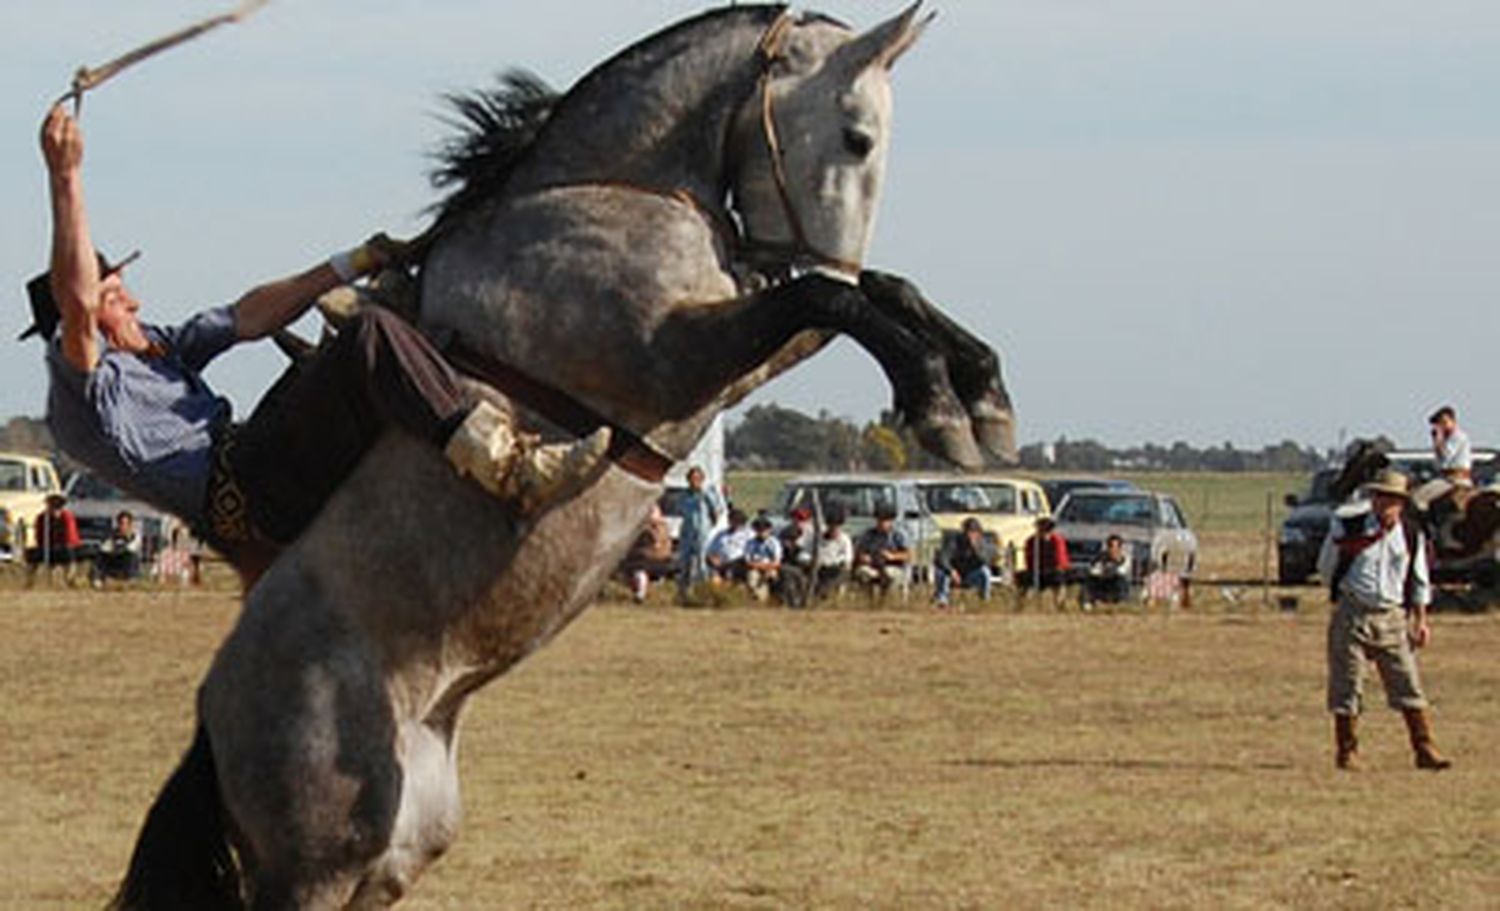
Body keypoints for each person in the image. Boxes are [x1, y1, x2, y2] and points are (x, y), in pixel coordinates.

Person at [29, 103, 609, 580]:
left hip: (259, 457)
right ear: (81, 316)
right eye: (115, 293)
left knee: (351, 337)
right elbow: (77, 298)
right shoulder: (84, 382)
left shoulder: (156, 346)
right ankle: (508, 466)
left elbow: (246, 316)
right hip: (249, 490)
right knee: (368, 336)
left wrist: (353, 261)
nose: (132, 300)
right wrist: (67, 178)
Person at [1317, 469, 1450, 771]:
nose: (1385, 505)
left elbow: (1419, 580)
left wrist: (1420, 620)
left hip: (1392, 616)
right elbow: (1327, 567)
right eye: (1380, 497)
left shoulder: (1411, 534)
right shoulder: (1350, 529)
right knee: (1347, 684)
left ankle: (1424, 747)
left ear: (1402, 503)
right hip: (1353, 612)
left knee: (1408, 683)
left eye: (1392, 499)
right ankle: (1347, 751)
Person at [674, 465, 722, 602]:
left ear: (702, 479)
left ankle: (705, 593)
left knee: (702, 564)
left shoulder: (707, 493)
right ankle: (684, 594)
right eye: (691, 478)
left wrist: (708, 527)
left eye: (697, 478)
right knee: (685, 564)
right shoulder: (684, 495)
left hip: (702, 532)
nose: (694, 481)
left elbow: (715, 512)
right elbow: (680, 511)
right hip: (687, 532)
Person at [932, 517, 998, 608]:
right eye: (969, 532)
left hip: (970, 575)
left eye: (974, 532)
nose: (971, 535)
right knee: (940, 572)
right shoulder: (954, 541)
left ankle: (985, 601)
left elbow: (986, 561)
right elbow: (943, 558)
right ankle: (942, 601)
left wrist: (976, 548)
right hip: (953, 574)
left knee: (985, 572)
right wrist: (951, 571)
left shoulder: (984, 544)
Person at [619, 503, 674, 603]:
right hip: (660, 558)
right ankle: (641, 591)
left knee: (637, 569)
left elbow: (655, 545)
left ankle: (640, 593)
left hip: (651, 559)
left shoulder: (652, 529)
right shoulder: (664, 526)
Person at [852, 505, 911, 595]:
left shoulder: (898, 535)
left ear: (891, 521)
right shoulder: (869, 535)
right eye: (880, 520)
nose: (882, 523)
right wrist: (864, 558)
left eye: (885, 520)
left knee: (890, 575)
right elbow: (859, 552)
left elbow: (908, 555)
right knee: (863, 572)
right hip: (873, 567)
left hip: (893, 567)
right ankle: (868, 601)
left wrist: (892, 556)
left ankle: (889, 601)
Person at [25, 492, 82, 577]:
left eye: (58, 506)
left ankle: (69, 578)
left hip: (66, 548)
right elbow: (39, 536)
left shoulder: (67, 517)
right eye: (52, 505)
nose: (55, 508)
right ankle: (29, 579)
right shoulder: (42, 518)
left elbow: (70, 538)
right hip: (48, 547)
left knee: (68, 552)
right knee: (32, 554)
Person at [1021, 516, 1072, 597]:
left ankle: (1059, 603)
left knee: (1058, 579)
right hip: (1037, 571)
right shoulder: (1032, 541)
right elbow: (1029, 559)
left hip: (1053, 572)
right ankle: (1022, 604)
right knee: (1025, 579)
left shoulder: (1056, 541)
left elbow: (1060, 561)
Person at [812, 507, 853, 601]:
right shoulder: (818, 538)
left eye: (836, 527)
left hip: (837, 570)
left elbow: (847, 559)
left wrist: (831, 562)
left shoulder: (845, 540)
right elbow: (806, 553)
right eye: (831, 526)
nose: (833, 529)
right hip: (819, 570)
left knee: (840, 573)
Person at [92, 508, 143, 584]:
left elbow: (132, 548)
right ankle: (98, 578)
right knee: (101, 556)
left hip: (126, 563)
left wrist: (121, 544)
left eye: (126, 524)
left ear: (130, 524)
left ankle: (131, 579)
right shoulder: (111, 535)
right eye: (121, 523)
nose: (123, 526)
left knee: (132, 556)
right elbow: (105, 548)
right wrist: (114, 546)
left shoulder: (135, 536)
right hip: (113, 560)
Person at [742, 515, 784, 603]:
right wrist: (759, 566)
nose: (761, 532)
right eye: (759, 529)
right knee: (752, 578)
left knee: (771, 577)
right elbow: (747, 560)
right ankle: (759, 599)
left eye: (764, 529)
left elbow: (777, 561)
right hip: (755, 568)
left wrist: (767, 567)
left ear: (769, 530)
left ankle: (774, 599)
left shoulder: (774, 542)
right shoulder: (750, 543)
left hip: (770, 568)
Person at [705, 507, 752, 584]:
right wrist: (712, 558)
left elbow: (749, 553)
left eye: (738, 521)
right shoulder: (721, 534)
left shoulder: (748, 534)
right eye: (732, 520)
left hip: (738, 564)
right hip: (719, 564)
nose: (735, 523)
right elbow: (710, 550)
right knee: (713, 579)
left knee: (729, 574)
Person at [1083, 534, 1132, 605]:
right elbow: (1093, 570)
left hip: (1116, 584)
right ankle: (1090, 601)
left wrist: (1113, 567)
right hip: (1103, 582)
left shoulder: (1125, 558)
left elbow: (1123, 571)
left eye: (1117, 547)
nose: (1114, 550)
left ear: (1120, 548)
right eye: (1111, 546)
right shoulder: (1101, 557)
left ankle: (1121, 601)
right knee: (1091, 579)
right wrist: (1103, 571)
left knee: (1121, 580)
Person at [1428, 405, 1472, 485]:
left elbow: (1447, 455)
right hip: (1444, 478)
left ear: (1453, 421)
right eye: (1439, 423)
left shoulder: (1458, 436)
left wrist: (1438, 439)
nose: (1442, 426)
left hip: (1458, 479)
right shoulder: (1445, 439)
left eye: (1444, 422)